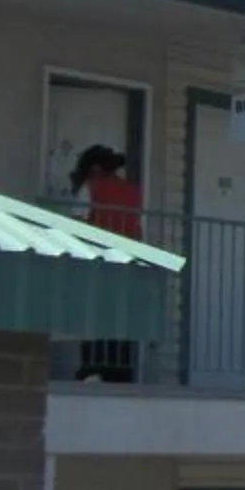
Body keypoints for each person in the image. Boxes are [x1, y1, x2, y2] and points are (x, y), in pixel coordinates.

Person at [70, 145, 144, 380]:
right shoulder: (132, 192)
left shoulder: (90, 188)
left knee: (93, 318)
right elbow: (136, 228)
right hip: (126, 264)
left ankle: (92, 367)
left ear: (94, 167)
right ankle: (120, 371)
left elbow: (77, 224)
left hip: (97, 263)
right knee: (119, 319)